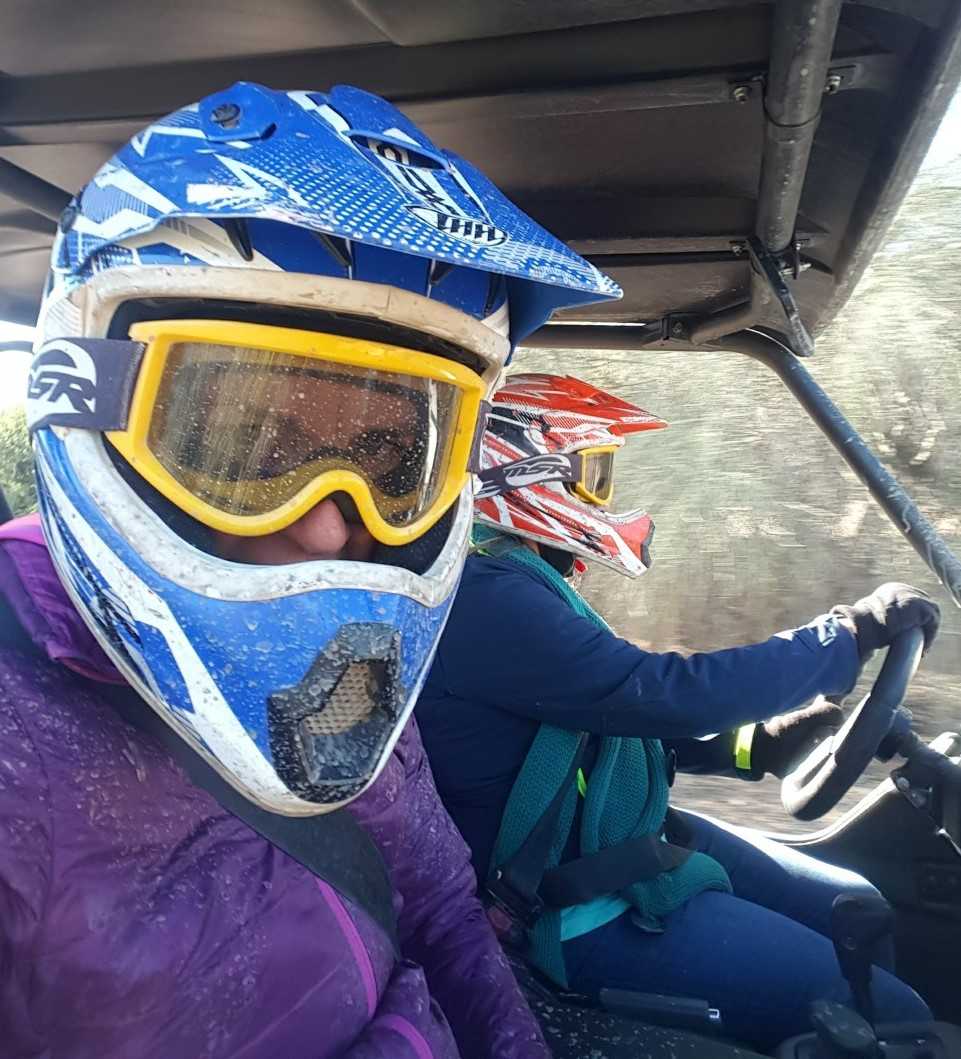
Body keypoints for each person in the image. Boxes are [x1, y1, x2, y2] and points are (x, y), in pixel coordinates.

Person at [0, 83, 624, 1058]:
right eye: (252, 447)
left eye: (388, 466)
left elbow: (443, 910)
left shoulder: (350, 656)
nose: (334, 530)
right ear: (89, 402)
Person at [416, 372, 941, 1051]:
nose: (601, 496)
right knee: (893, 1011)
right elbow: (657, 690)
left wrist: (766, 742)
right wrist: (842, 635)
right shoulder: (483, 595)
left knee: (853, 900)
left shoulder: (515, 580)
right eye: (591, 473)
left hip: (616, 842)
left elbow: (602, 720)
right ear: (520, 472)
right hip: (567, 903)